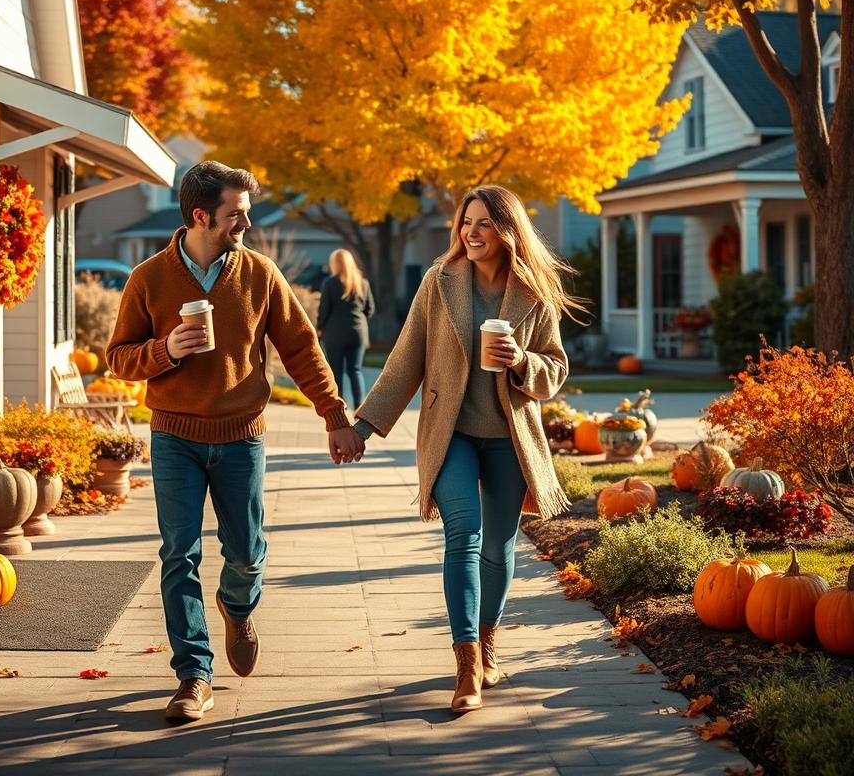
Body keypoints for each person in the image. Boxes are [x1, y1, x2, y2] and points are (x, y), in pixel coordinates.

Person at [106, 161, 364, 723]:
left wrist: (335, 414)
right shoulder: (148, 278)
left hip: (241, 436)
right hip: (174, 435)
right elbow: (119, 358)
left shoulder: (261, 274)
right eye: (237, 215)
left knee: (246, 552)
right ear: (202, 216)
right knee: (180, 554)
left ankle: (237, 605)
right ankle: (193, 676)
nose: (246, 223)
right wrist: (166, 350)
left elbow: (302, 349)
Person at [352, 186, 579, 714]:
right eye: (465, 222)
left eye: (483, 224)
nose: (470, 233)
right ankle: (467, 661)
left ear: (508, 232)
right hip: (450, 433)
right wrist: (364, 426)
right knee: (464, 533)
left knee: (499, 548)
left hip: (509, 438)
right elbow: (405, 360)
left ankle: (489, 639)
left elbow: (556, 369)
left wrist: (523, 361)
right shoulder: (439, 282)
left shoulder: (534, 293)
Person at [317, 249, 375, 408]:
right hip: (358, 333)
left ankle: (339, 408)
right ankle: (359, 407)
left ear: (335, 264)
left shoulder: (330, 283)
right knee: (355, 370)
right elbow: (369, 310)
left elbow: (324, 310)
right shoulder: (363, 283)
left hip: (334, 333)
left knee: (337, 372)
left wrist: (319, 328)